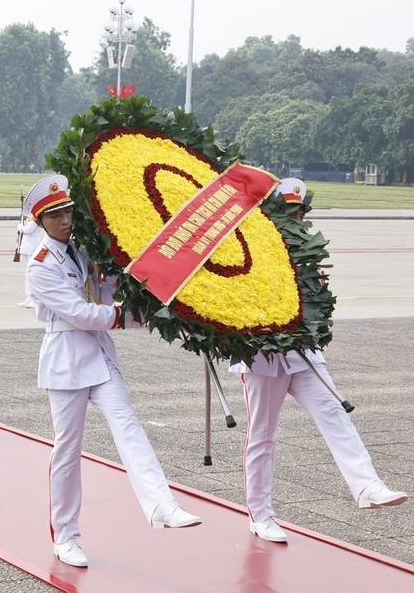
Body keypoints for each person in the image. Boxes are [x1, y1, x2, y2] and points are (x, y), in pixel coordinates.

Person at [24, 174, 201, 569]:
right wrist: (124, 316)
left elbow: (104, 292)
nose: (65, 219)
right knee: (67, 451)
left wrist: (142, 289)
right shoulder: (39, 267)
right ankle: (66, 536)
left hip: (99, 356)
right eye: (55, 215)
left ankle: (161, 504)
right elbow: (80, 313)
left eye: (68, 210)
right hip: (66, 359)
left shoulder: (84, 251)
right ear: (40, 222)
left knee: (128, 425)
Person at [230, 177, 407, 543]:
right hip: (261, 356)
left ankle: (367, 486)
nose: (296, 218)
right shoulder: (248, 249)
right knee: (262, 436)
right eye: (288, 212)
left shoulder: (308, 254)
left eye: (299, 212)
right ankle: (260, 514)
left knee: (334, 414)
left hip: (303, 355)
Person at [16, 214, 42, 307]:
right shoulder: (30, 216)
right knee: (27, 274)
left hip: (33, 247)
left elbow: (28, 230)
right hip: (26, 247)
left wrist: (20, 227)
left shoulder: (37, 216)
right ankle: (28, 297)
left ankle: (34, 299)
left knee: (32, 274)